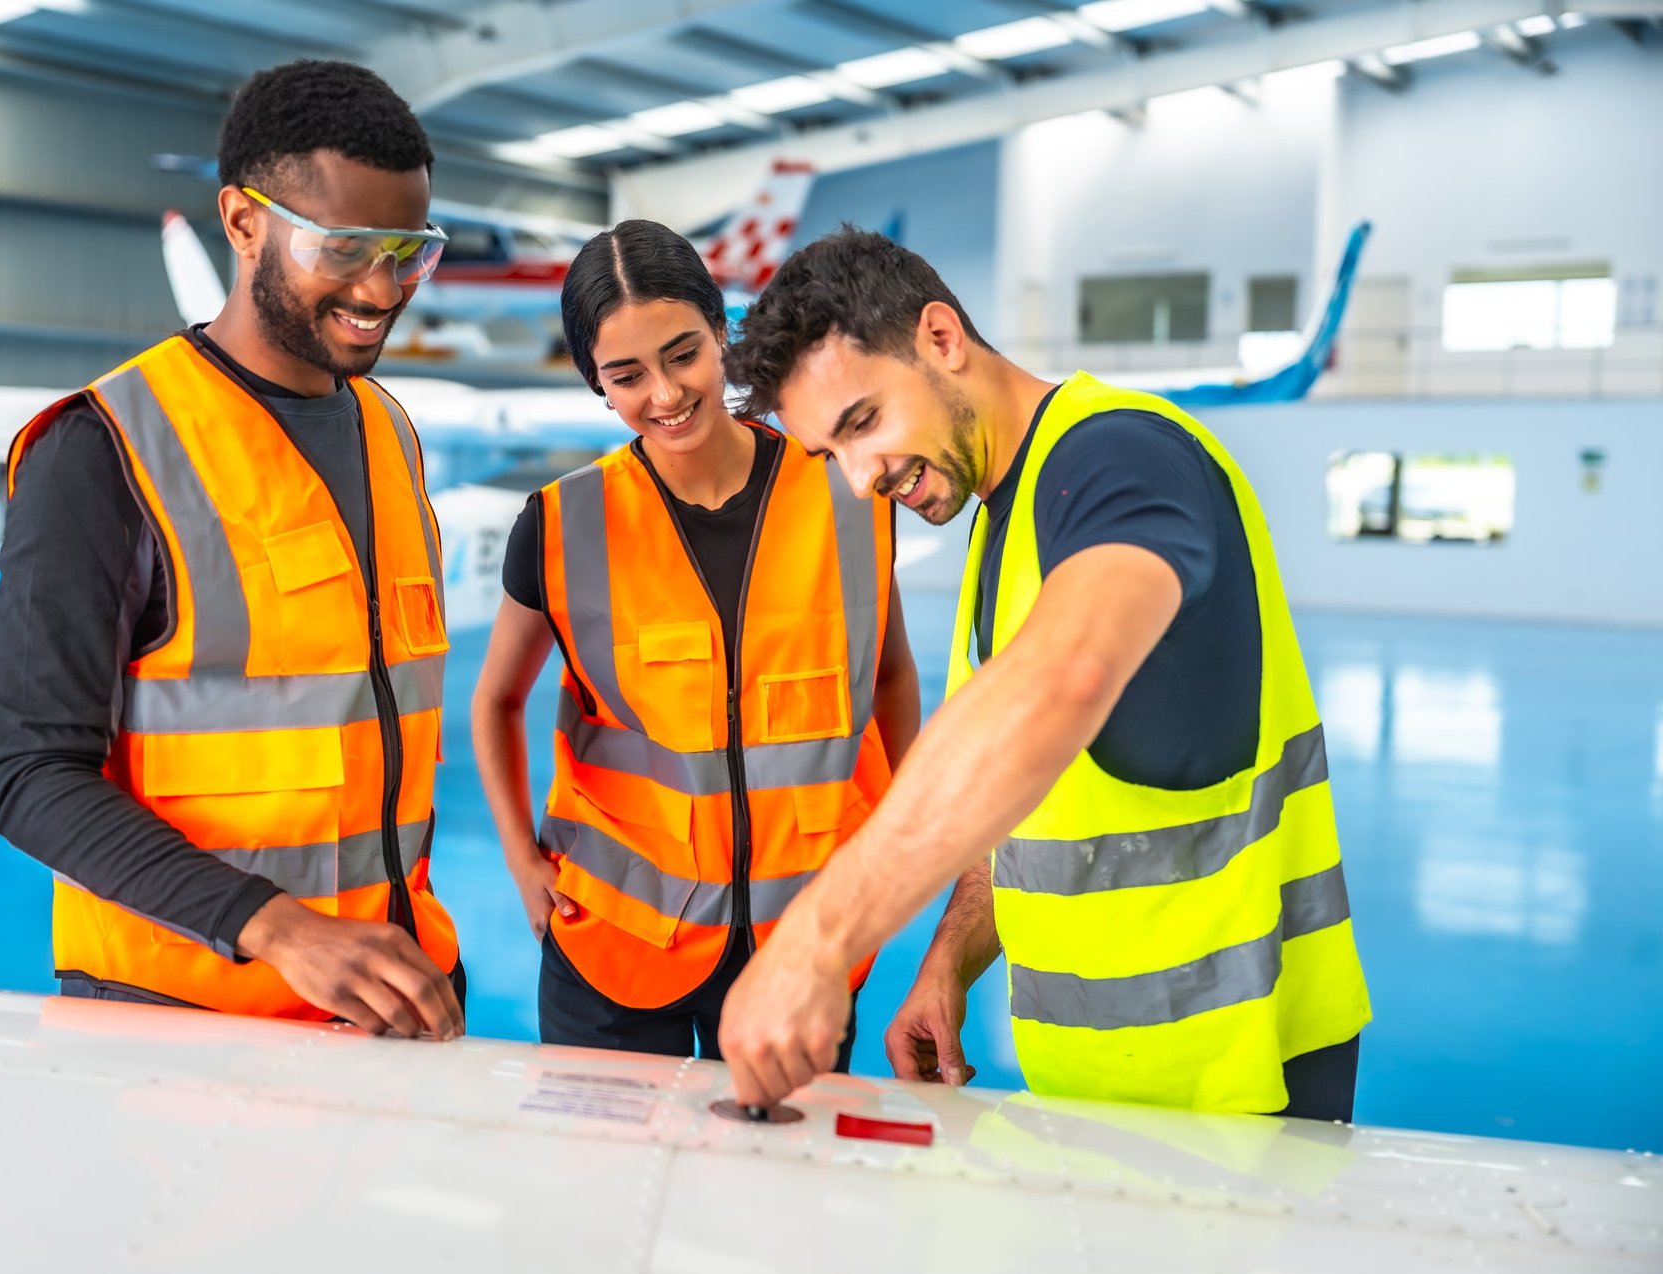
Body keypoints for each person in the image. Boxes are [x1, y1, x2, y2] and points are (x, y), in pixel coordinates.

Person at [716, 230, 1371, 1120]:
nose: (861, 478)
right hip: (1110, 1093)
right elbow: (1032, 793)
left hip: (1241, 1084)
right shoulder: (1002, 517)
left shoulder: (1119, 459)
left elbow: (1061, 681)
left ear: (942, 338)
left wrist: (818, 944)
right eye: (832, 454)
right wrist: (948, 959)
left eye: (863, 421)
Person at [0, 60, 463, 1038]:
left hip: (390, 991)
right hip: (185, 1013)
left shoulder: (391, 433)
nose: (382, 289)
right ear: (244, 223)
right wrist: (274, 926)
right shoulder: (104, 448)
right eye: (346, 248)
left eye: (410, 251)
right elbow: (28, 771)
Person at [471, 220, 920, 1061]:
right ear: (596, 385)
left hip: (804, 941)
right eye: (627, 375)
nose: (665, 394)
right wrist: (520, 858)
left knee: (773, 1187)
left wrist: (891, 849)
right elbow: (496, 698)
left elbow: (889, 676)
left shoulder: (847, 490)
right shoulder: (563, 524)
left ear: (722, 333)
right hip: (613, 938)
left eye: (683, 354)